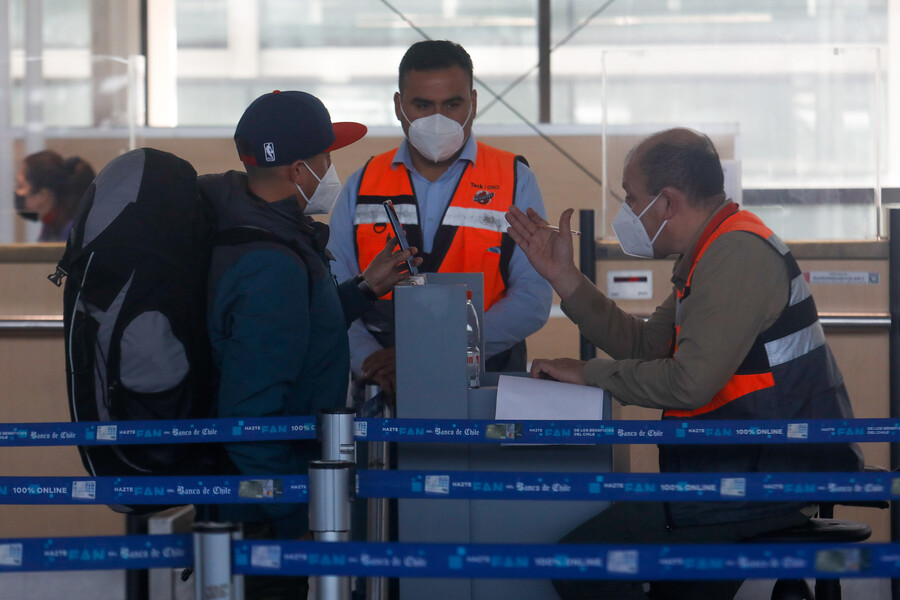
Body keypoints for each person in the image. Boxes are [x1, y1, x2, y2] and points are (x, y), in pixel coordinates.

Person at [505, 127, 863, 600]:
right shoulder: (712, 250)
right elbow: (650, 347)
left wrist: (587, 373)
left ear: (667, 202)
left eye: (632, 199)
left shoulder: (735, 254)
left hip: (757, 481)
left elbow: (689, 382)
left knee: (581, 561)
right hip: (737, 473)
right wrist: (566, 279)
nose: (626, 213)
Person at [199, 90, 421, 600]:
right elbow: (249, 418)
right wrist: (297, 519)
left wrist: (365, 287)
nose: (330, 167)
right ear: (299, 171)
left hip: (273, 500)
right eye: (326, 157)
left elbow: (295, 329)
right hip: (271, 517)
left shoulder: (265, 234)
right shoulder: (270, 263)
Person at [327, 39, 552, 398]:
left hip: (485, 384)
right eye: (422, 105)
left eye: (452, 104)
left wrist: (431, 353)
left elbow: (533, 298)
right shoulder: (363, 183)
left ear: (474, 104)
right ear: (399, 106)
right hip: (383, 386)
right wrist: (369, 358)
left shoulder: (515, 180)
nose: (437, 119)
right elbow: (333, 295)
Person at [14, 150, 95, 241]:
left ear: (42, 195)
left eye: (20, 186)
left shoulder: (72, 234)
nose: (17, 192)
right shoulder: (51, 227)